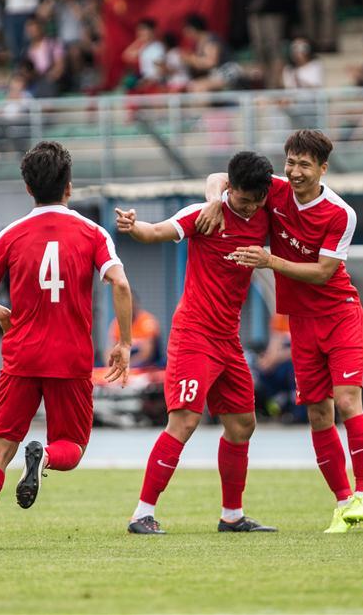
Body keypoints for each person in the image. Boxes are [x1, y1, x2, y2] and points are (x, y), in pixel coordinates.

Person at [198, 130, 363, 534]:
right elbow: (218, 177)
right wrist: (213, 202)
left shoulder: (340, 213)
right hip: (301, 321)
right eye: (291, 162)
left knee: (348, 401)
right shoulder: (274, 190)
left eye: (304, 165)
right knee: (317, 413)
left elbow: (324, 272)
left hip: (340, 314)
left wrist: (270, 261)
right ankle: (344, 504)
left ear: (322, 169)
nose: (294, 172)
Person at [0, 141, 132, 549]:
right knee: (71, 447)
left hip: (21, 355)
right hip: (69, 357)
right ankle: (45, 456)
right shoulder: (92, 233)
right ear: (69, 187)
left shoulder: (10, 234)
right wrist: (124, 343)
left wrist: (3, 314)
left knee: (0, 447)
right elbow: (121, 283)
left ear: (27, 187)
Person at [115, 151, 277, 536]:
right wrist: (135, 227)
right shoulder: (205, 216)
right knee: (184, 421)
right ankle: (141, 513)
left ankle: (232, 516)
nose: (250, 206)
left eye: (257, 200)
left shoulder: (263, 211)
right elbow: (157, 232)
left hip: (228, 340)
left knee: (242, 424)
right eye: (243, 199)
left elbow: (217, 174)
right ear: (230, 191)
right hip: (194, 335)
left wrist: (221, 194)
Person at [108, 296, 160, 368]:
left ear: (135, 304)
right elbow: (110, 350)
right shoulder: (117, 323)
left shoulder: (147, 321)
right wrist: (110, 365)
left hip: (148, 365)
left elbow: (147, 353)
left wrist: (127, 366)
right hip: (126, 363)